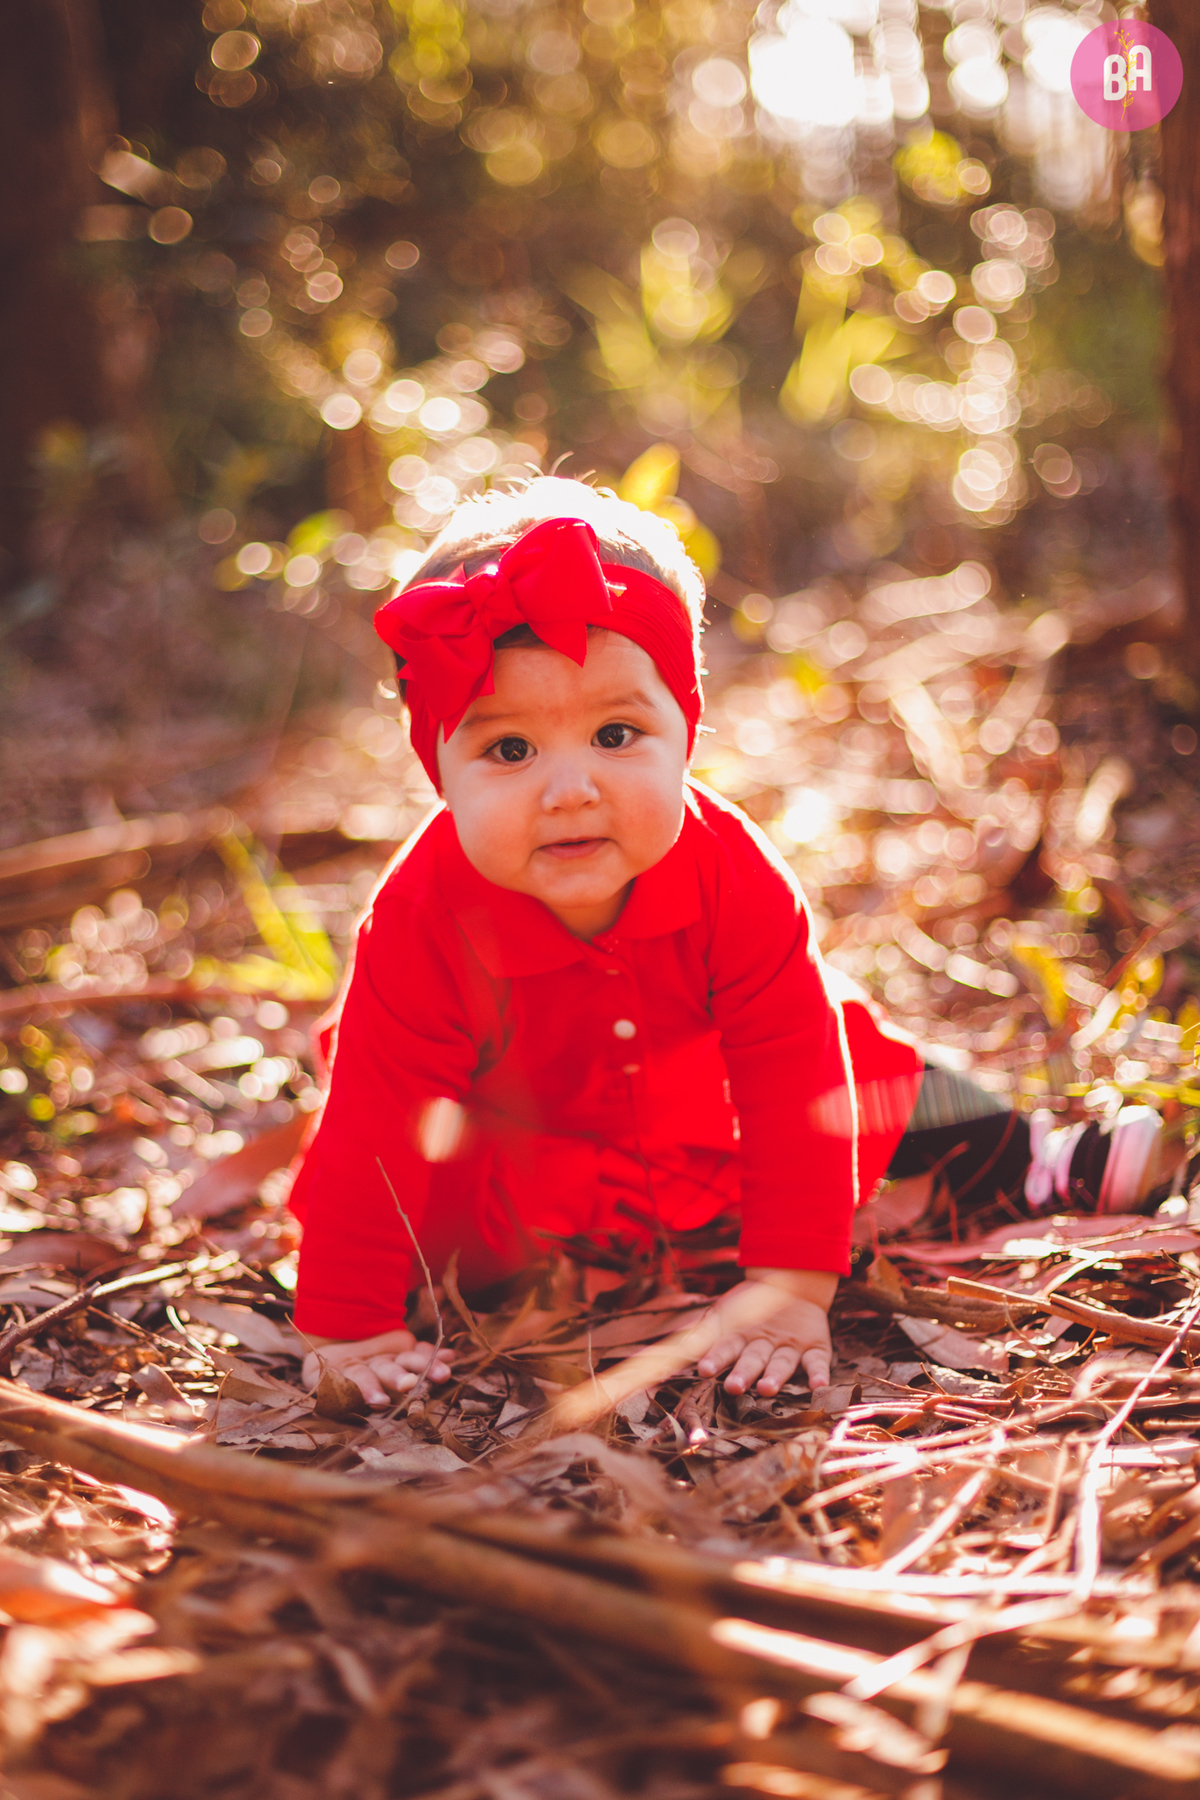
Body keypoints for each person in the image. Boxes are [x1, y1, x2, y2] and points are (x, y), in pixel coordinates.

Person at [289, 477, 931, 1408]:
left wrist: (791, 1286)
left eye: (616, 733)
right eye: (509, 751)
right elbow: (377, 1120)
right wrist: (346, 1324)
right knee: (446, 1227)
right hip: (513, 1137)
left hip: (690, 1103)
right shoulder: (423, 918)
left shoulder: (733, 873)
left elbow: (792, 1065)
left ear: (685, 732)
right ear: (439, 771)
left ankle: (1024, 1154)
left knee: (858, 1062)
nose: (570, 790)